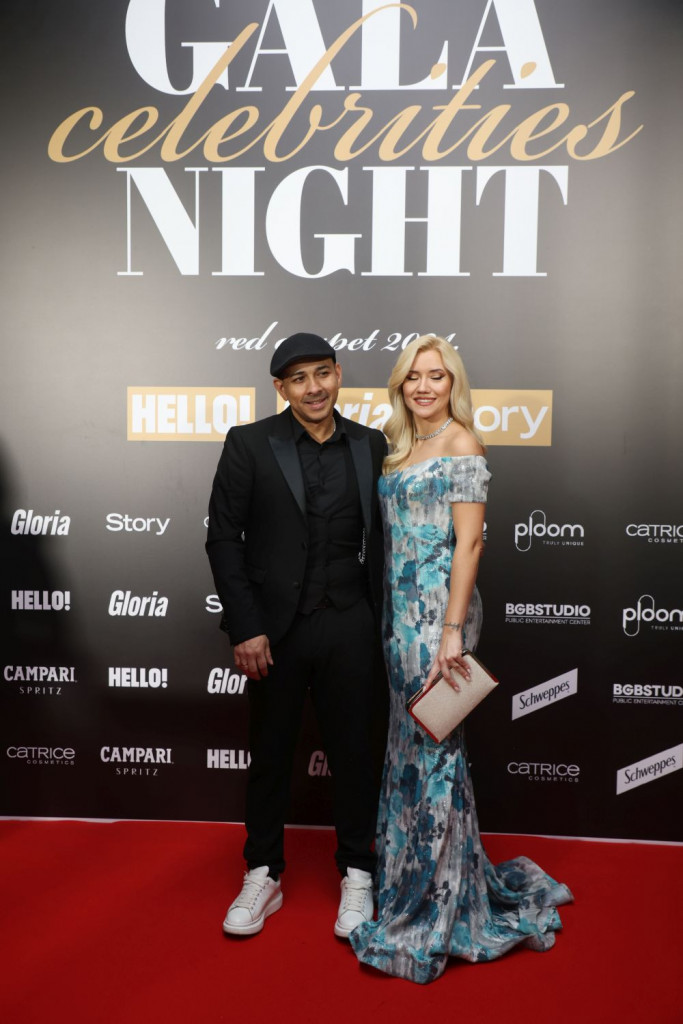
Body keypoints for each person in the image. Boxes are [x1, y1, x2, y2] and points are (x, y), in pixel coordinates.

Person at [349, 335, 573, 984]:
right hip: (397, 621)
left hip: (437, 621)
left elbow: (470, 544)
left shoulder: (462, 444)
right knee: (409, 749)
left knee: (435, 751)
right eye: (413, 376)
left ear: (453, 384)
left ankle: (439, 906)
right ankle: (411, 884)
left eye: (437, 376)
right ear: (400, 385)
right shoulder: (398, 448)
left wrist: (451, 632)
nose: (424, 386)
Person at [206, 332, 387, 939]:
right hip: (275, 632)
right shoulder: (250, 442)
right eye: (299, 379)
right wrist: (247, 625)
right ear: (280, 387)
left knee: (356, 754)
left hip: (352, 622)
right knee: (271, 754)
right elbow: (223, 538)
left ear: (339, 374)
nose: (314, 388)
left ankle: (358, 873)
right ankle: (263, 873)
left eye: (322, 373)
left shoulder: (370, 443)